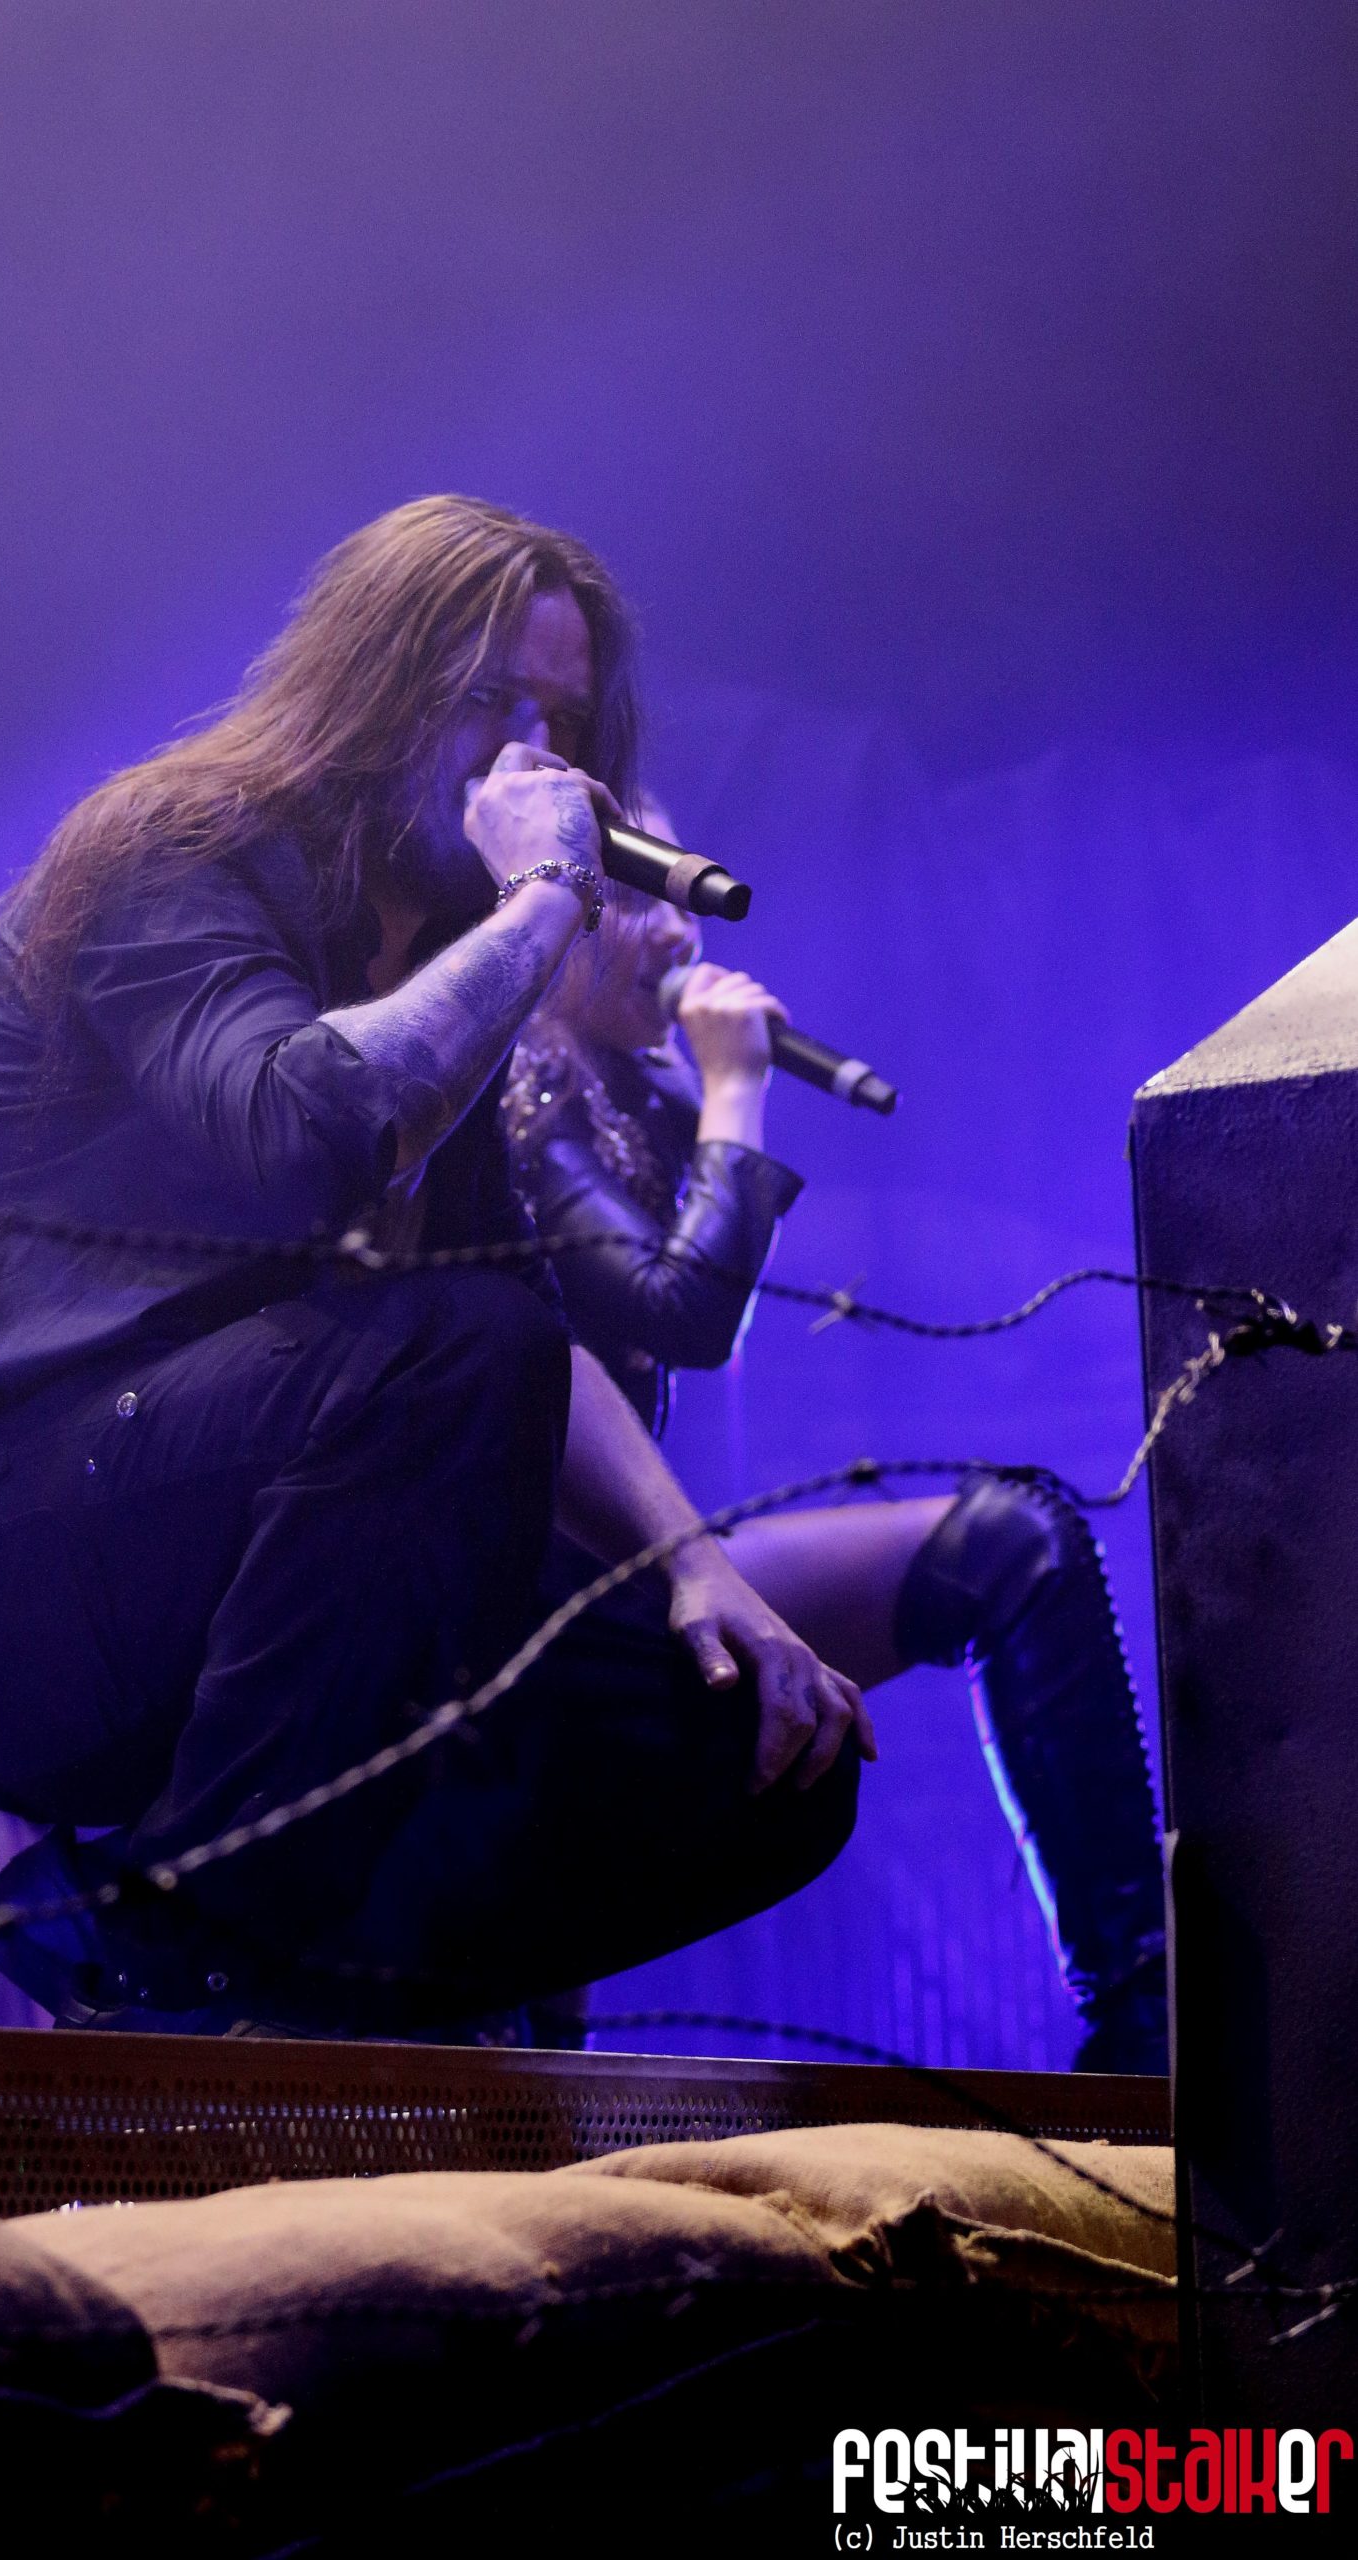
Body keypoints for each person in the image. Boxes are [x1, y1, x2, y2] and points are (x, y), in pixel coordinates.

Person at [0, 496, 872, 2041]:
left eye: (562, 720)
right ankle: (179, 1952)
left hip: (221, 1553)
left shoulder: (445, 961)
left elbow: (538, 1331)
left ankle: (313, 1984)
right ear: (376, 684)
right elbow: (303, 1132)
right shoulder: (177, 850)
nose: (529, 755)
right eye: (488, 699)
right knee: (452, 1350)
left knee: (755, 1756)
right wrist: (544, 900)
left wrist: (697, 1569)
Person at [505, 869, 1167, 2071]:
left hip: (628, 1574)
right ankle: (1144, 2025)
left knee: (1016, 1545)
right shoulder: (526, 1085)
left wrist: (703, 1095)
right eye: (640, 898)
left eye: (683, 896)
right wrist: (734, 1088)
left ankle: (1146, 2021)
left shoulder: (608, 1088)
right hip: (544, 1603)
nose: (679, 928)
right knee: (1009, 1544)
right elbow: (686, 1310)